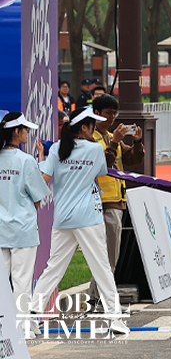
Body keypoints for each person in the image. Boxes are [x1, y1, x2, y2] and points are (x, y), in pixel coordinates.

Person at [34, 107, 124, 331]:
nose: (94, 129)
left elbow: (43, 178)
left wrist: (40, 158)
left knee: (53, 268)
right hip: (88, 218)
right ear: (83, 127)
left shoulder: (57, 148)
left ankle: (31, 315)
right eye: (92, 125)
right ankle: (115, 319)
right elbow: (104, 169)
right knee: (102, 267)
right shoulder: (93, 149)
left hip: (62, 218)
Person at [87, 93, 143, 305]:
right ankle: (97, 297)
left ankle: (96, 296)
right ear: (96, 113)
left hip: (115, 201)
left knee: (110, 253)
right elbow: (104, 162)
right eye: (108, 113)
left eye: (114, 113)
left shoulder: (111, 137)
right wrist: (116, 142)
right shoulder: (90, 139)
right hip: (99, 201)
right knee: (105, 253)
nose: (112, 117)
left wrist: (136, 142)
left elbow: (133, 159)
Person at [0, 112, 50, 315]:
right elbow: (38, 196)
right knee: (22, 282)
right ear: (17, 131)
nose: (28, 133)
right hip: (23, 230)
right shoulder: (26, 160)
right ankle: (22, 327)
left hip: (2, 229)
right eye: (25, 129)